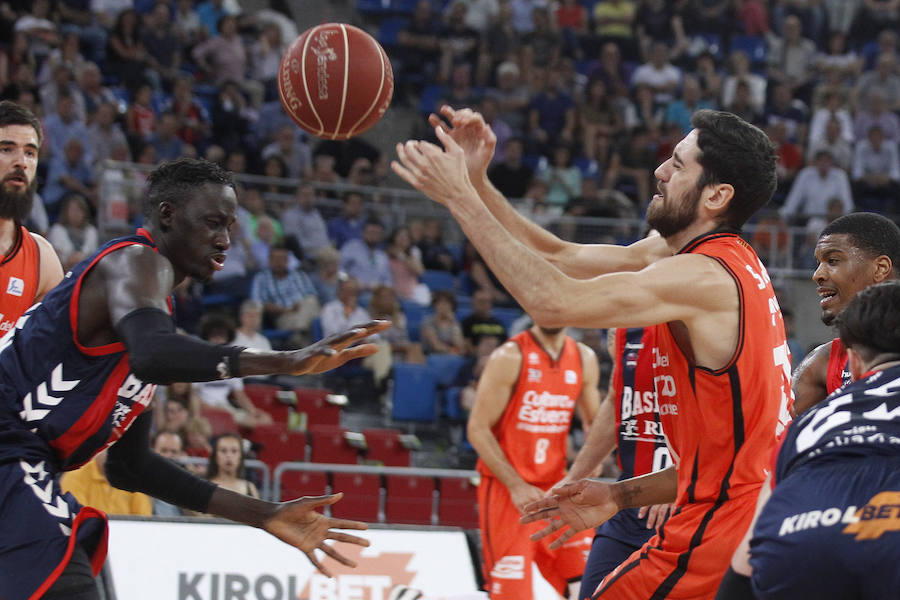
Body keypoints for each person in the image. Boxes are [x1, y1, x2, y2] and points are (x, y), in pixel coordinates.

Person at [393, 106, 790, 599]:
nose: (659, 171)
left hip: (724, 523)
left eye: (679, 164)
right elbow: (561, 256)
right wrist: (476, 182)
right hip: (748, 511)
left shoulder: (702, 277)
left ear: (717, 195)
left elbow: (552, 300)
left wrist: (458, 200)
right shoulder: (714, 260)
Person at [0, 157, 389, 599]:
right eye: (212, 223)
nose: (224, 240)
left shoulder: (148, 317)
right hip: (9, 452)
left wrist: (264, 514)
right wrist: (285, 362)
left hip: (24, 462)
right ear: (167, 214)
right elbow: (153, 356)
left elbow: (131, 466)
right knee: (66, 582)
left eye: (230, 226)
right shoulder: (133, 262)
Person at [732, 282, 900, 599]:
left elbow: (744, 564)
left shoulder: (806, 423)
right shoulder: (817, 367)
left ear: (852, 365)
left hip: (795, 542)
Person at [468, 322, 600, 600]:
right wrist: (516, 485)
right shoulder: (510, 356)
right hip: (508, 493)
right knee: (512, 594)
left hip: (558, 489)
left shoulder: (584, 358)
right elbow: (477, 429)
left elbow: (596, 423)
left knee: (590, 588)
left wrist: (591, 463)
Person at [559, 327, 673, 600]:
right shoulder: (625, 330)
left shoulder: (697, 320)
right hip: (627, 505)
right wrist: (575, 476)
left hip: (686, 511)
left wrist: (679, 478)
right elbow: (615, 399)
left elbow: (725, 411)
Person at [790, 213, 900, 416]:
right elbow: (784, 440)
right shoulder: (821, 364)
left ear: (881, 268)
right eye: (819, 263)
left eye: (832, 260)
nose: (817, 275)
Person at [0, 101, 64, 335]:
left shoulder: (42, 258)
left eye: (30, 152)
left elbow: (52, 351)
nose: (22, 162)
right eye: (6, 149)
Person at [206, 432, 259, 498]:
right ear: (215, 456)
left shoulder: (250, 487)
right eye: (223, 450)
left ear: (241, 456)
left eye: (234, 451)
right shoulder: (205, 487)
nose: (229, 455)